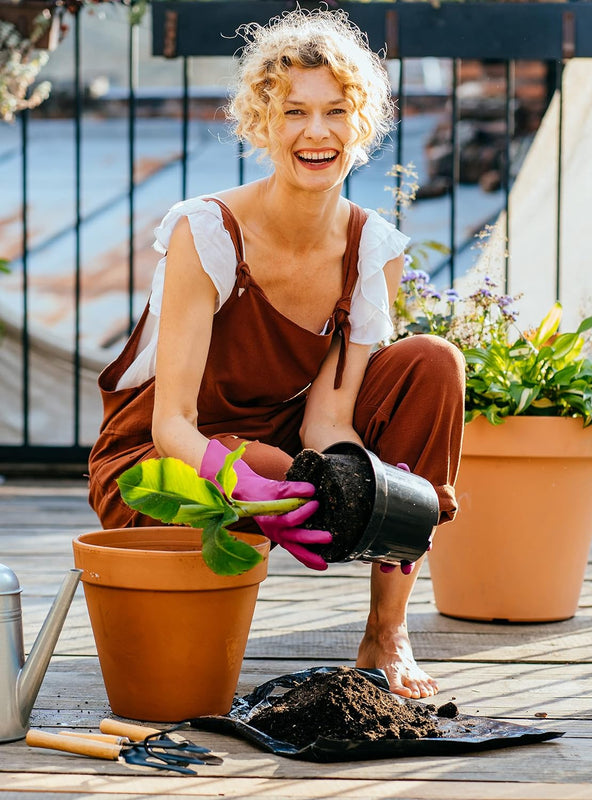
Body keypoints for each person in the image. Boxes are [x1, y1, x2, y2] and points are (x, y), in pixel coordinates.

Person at [87, 8, 465, 699]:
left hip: (281, 446)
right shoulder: (207, 232)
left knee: (433, 361)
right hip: (158, 463)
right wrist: (258, 482)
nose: (316, 133)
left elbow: (328, 423)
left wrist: (379, 490)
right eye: (294, 112)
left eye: (336, 110)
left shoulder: (369, 248)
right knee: (257, 460)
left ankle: (387, 633)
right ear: (262, 123)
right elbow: (171, 423)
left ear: (363, 124)